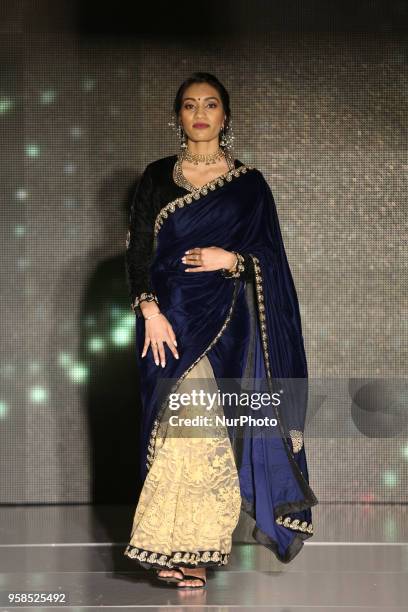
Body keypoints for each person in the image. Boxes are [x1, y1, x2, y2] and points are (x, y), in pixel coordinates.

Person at [123, 72, 318, 589]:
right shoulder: (156, 178)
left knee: (207, 434)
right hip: (166, 324)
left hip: (226, 326)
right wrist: (150, 310)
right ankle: (165, 542)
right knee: (171, 435)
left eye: (211, 105)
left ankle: (199, 549)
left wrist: (233, 259)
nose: (201, 114)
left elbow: (272, 262)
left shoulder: (249, 185)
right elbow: (138, 252)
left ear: (225, 116)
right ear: (179, 117)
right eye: (190, 106)